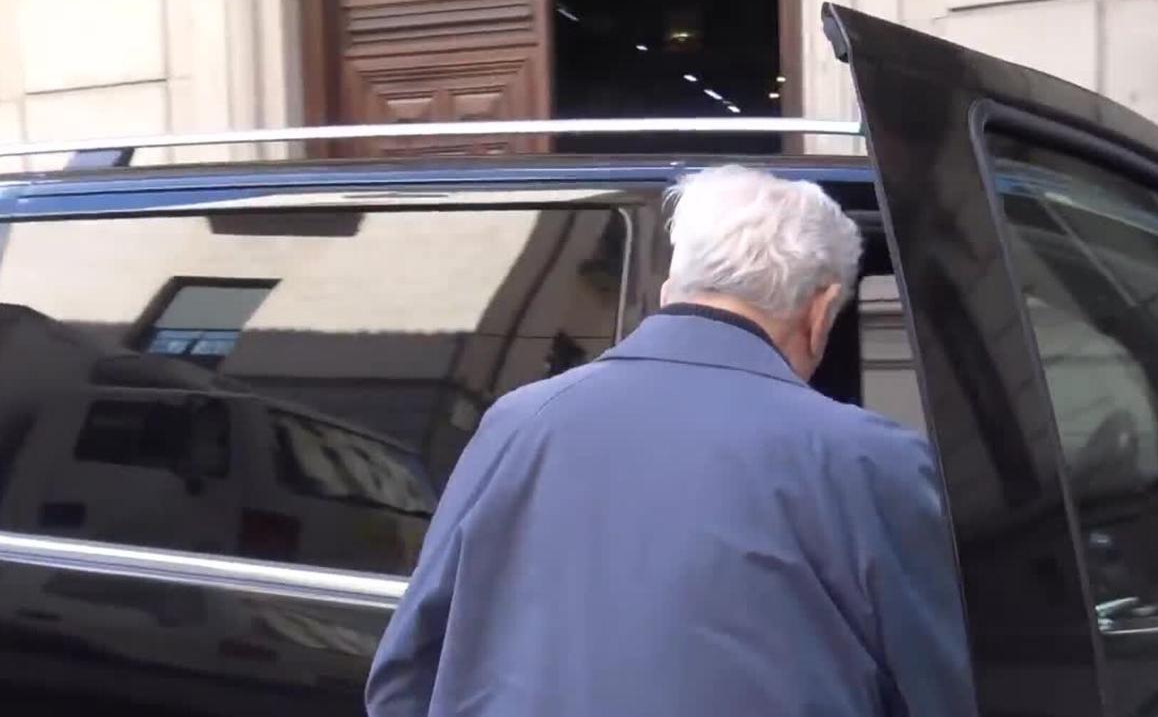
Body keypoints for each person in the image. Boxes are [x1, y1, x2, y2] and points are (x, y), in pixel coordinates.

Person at [366, 165, 976, 717]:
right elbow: (948, 690)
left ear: (670, 290)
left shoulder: (517, 422)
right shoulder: (871, 461)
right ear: (822, 312)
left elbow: (404, 678)